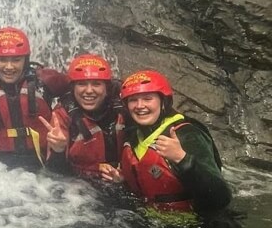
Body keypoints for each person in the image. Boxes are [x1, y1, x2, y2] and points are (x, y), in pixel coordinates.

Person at [105, 70, 231, 213]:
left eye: (147, 98)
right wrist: (124, 181)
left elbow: (222, 197)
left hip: (197, 225)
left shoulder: (187, 134)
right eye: (133, 100)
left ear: (163, 102)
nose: (139, 106)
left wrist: (182, 159)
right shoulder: (135, 134)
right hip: (154, 219)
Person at [0, 27, 68, 171]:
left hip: (44, 166)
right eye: (2, 60)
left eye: (16, 60)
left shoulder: (45, 81)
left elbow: (78, 92)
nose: (9, 67)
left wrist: (62, 118)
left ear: (26, 60)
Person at [42, 54, 124, 179]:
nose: (89, 90)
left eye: (96, 84)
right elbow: (54, 174)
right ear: (73, 88)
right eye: (82, 84)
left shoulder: (123, 105)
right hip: (80, 186)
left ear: (107, 88)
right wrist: (58, 150)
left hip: (122, 179)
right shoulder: (63, 114)